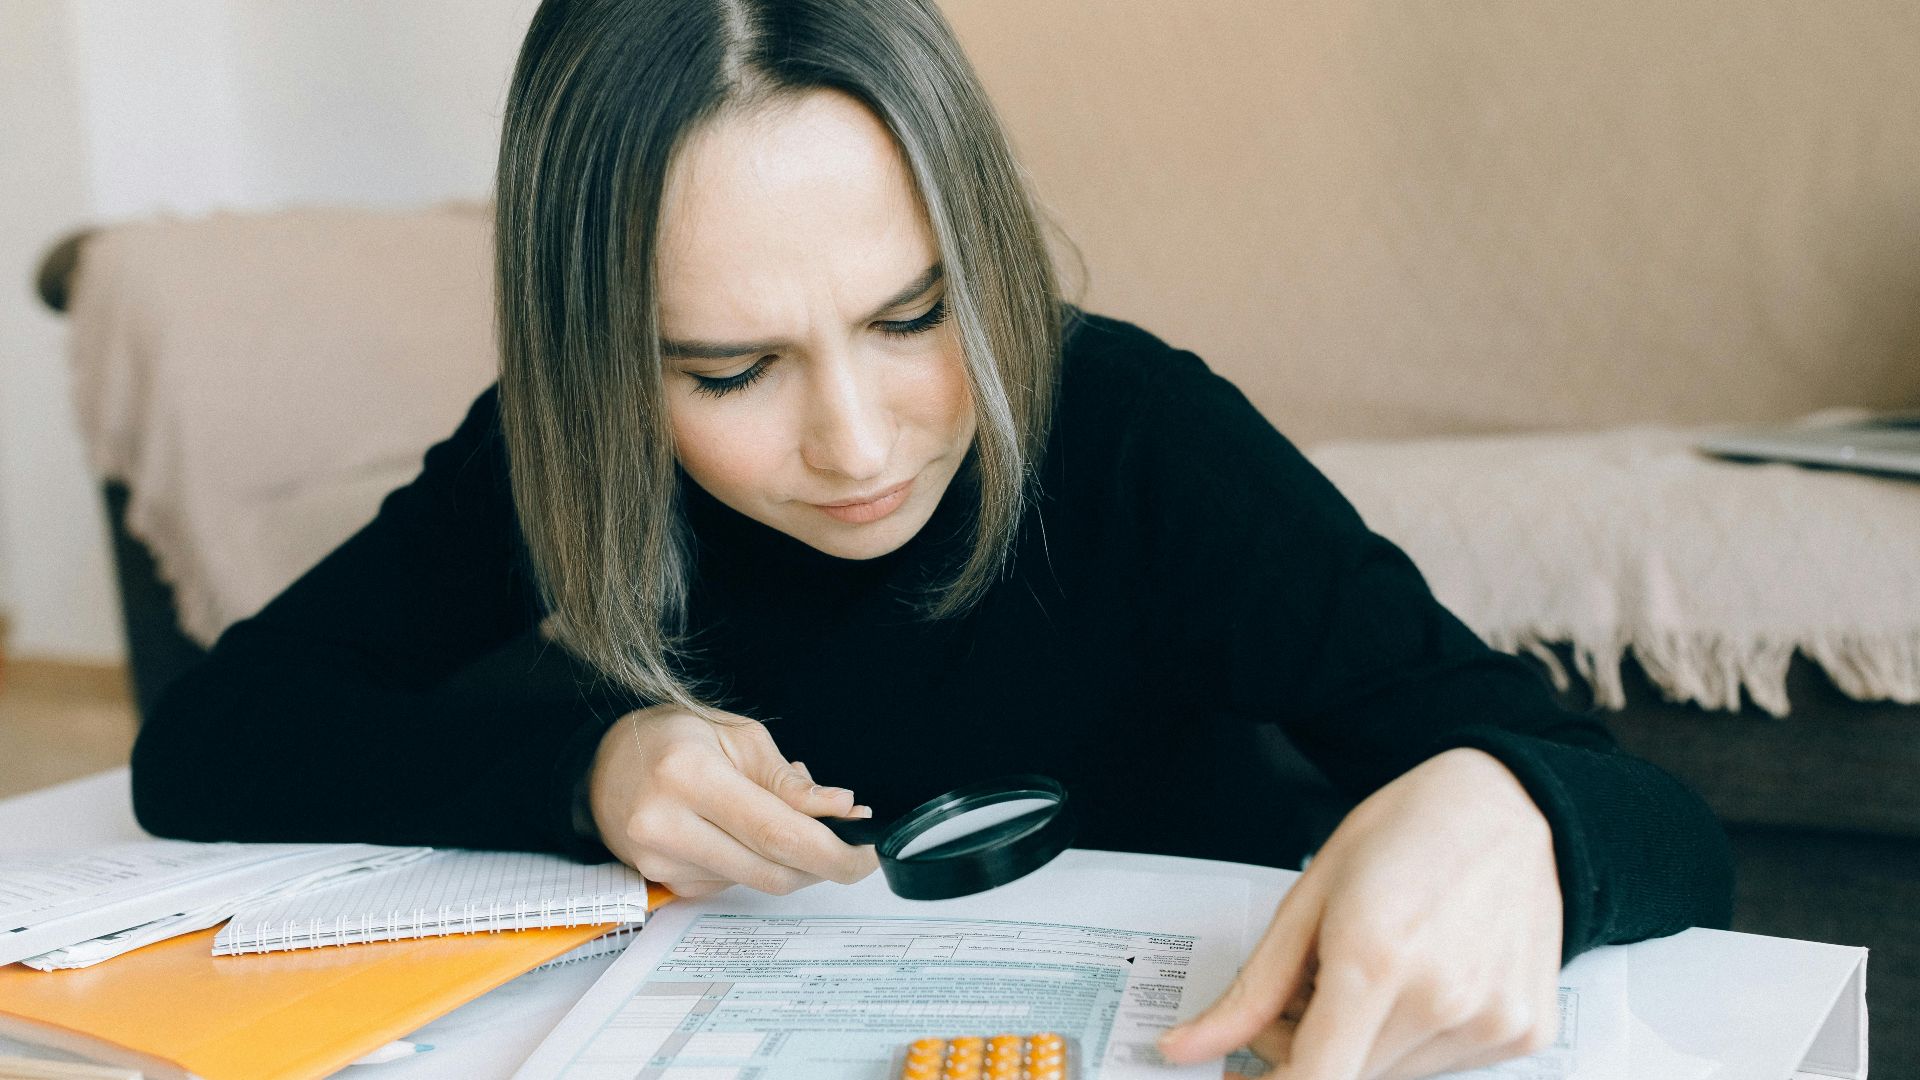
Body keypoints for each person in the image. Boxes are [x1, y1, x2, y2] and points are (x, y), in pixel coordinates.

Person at [129, 0, 1734, 1076]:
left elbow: (1658, 820)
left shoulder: (1132, 434)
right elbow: (208, 743)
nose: (856, 440)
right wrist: (588, 774)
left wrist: (1515, 810)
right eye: (728, 369)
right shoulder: (555, 456)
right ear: (599, 359)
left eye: (914, 316)